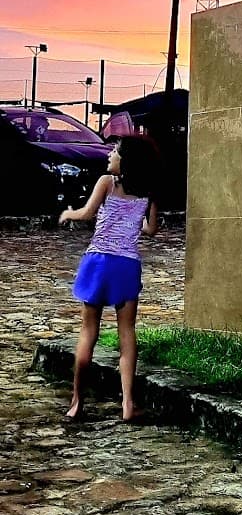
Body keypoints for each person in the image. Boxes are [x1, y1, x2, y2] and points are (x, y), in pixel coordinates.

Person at [59, 135, 159, 422]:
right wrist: (134, 220)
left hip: (98, 262)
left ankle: (77, 403)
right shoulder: (148, 193)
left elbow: (87, 213)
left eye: (114, 151)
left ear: (125, 160)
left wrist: (68, 213)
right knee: (126, 334)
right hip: (127, 265)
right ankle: (128, 404)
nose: (109, 155)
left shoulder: (107, 183)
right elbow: (150, 230)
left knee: (88, 332)